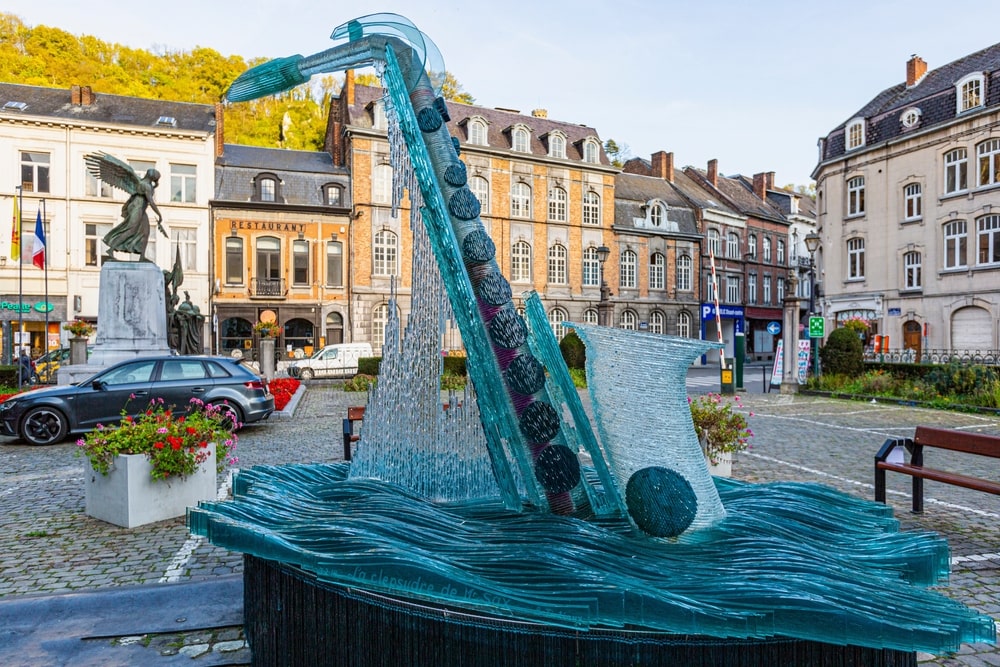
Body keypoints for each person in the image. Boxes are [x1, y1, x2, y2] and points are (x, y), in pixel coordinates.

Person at [83, 152, 167, 260]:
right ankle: (111, 248)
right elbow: (151, 201)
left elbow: (147, 196)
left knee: (145, 232)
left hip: (140, 209)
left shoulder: (146, 184)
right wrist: (159, 215)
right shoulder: (145, 185)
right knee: (130, 230)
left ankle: (142, 256)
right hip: (137, 208)